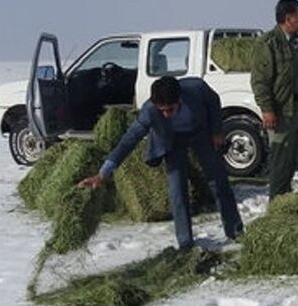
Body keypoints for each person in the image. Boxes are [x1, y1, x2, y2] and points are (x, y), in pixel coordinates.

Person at [79, 76, 243, 250]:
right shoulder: (149, 111)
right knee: (177, 189)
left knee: (219, 181)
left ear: (179, 99)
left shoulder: (196, 89)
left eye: (170, 110)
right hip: (172, 141)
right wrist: (102, 174)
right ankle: (185, 244)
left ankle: (236, 232)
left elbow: (213, 101)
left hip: (200, 132)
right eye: (161, 110)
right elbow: (128, 140)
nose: (165, 114)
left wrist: (217, 131)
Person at [250, 0, 298, 199]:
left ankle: (285, 198)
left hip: (297, 107)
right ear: (288, 18)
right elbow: (260, 81)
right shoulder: (269, 43)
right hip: (281, 110)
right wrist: (267, 109)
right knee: (280, 157)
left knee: (291, 157)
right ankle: (276, 201)